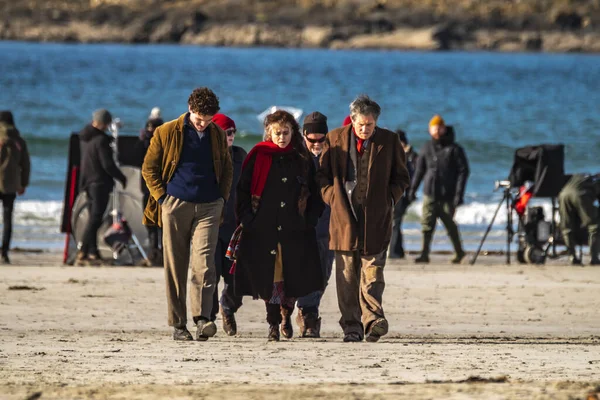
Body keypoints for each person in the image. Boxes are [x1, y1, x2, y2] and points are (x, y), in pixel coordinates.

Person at [141, 87, 233, 341]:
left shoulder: (216, 134)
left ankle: (202, 319)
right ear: (190, 109)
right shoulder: (166, 131)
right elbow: (149, 169)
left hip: (209, 206)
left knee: (205, 264)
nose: (203, 124)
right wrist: (163, 199)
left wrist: (221, 199)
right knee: (176, 265)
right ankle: (178, 324)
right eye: (199, 119)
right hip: (175, 204)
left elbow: (227, 169)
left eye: (209, 119)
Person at [317, 95, 410, 343]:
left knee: (373, 273)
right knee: (347, 276)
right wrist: (331, 197)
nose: (365, 129)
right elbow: (322, 175)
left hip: (377, 219)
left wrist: (390, 199)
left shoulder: (389, 141)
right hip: (343, 217)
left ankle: (373, 320)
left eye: (370, 124)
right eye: (361, 124)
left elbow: (402, 177)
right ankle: (351, 326)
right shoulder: (334, 138)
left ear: (375, 122)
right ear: (353, 119)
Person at [235, 110, 324, 342]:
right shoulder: (258, 155)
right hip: (264, 228)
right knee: (271, 278)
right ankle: (273, 322)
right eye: (277, 133)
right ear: (269, 133)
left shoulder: (302, 158)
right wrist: (247, 219)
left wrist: (311, 220)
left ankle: (287, 314)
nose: (282, 137)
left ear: (293, 132)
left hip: (296, 230)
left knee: (292, 278)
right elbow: (242, 190)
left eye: (286, 132)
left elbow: (316, 193)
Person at [408, 115, 469, 264]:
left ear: (443, 128)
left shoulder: (454, 149)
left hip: (447, 194)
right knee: (426, 224)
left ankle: (459, 253)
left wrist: (458, 195)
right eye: (433, 128)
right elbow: (419, 171)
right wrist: (412, 189)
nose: (436, 130)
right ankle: (424, 254)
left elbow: (464, 171)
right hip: (430, 193)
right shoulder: (426, 147)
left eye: (438, 127)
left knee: (450, 225)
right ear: (429, 130)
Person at [295, 111, 334, 338]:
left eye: (322, 139)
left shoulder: (334, 156)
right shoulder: (296, 157)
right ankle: (308, 315)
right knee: (301, 271)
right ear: (304, 136)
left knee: (323, 273)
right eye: (313, 140)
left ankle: (308, 310)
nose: (317, 144)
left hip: (328, 223)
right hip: (300, 224)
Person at [209, 113, 247, 336]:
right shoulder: (207, 159)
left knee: (235, 277)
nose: (230, 137)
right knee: (210, 274)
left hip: (235, 227)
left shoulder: (241, 156)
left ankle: (228, 307)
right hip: (212, 225)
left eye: (232, 132)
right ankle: (209, 316)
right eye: (225, 133)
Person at [77, 109, 127, 266]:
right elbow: (107, 164)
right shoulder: (101, 140)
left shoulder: (84, 138)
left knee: (93, 217)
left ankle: (93, 252)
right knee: (96, 219)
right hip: (99, 183)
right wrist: (121, 176)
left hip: (87, 181)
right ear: (105, 123)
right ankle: (83, 251)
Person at [0, 111, 31, 264]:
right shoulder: (19, 140)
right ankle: (4, 253)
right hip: (11, 185)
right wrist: (23, 184)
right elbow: (25, 164)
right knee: (7, 219)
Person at [137, 113, 164, 265]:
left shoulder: (164, 143)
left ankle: (160, 254)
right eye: (149, 126)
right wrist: (142, 140)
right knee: (150, 224)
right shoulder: (145, 143)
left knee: (161, 225)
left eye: (154, 127)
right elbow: (137, 157)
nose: (151, 129)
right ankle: (154, 253)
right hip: (147, 189)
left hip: (160, 190)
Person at [558, 174, 600, 265]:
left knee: (567, 228)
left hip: (564, 195)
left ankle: (572, 256)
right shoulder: (597, 180)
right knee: (594, 226)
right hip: (581, 195)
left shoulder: (583, 176)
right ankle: (594, 258)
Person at [389, 129, 418, 259]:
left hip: (404, 194)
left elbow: (414, 175)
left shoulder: (410, 156)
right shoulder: (395, 155)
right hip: (397, 193)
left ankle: (395, 252)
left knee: (395, 222)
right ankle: (398, 251)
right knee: (396, 222)